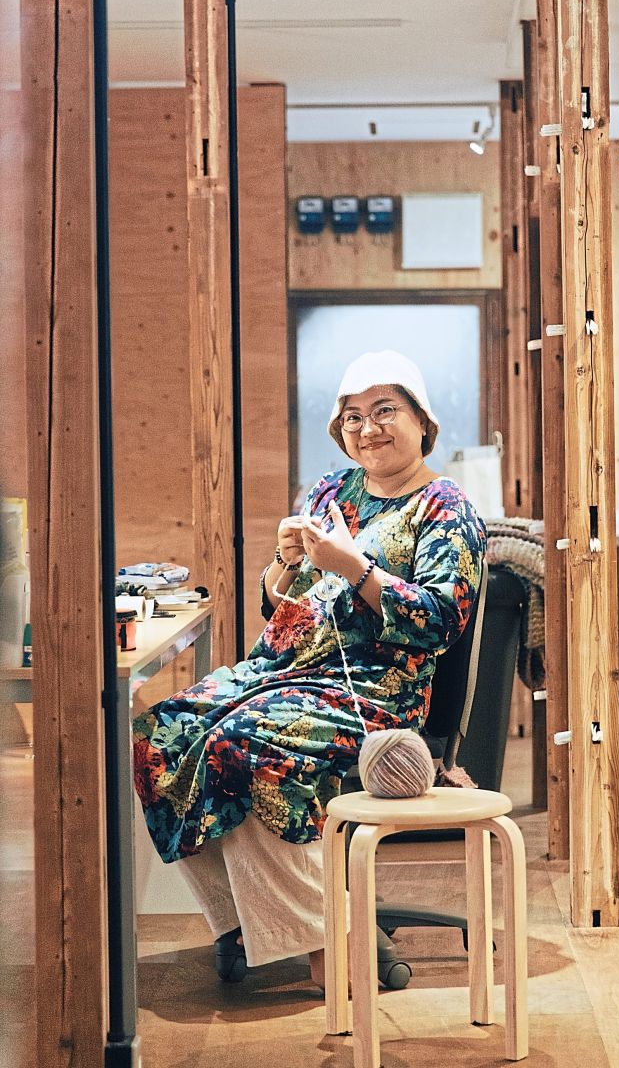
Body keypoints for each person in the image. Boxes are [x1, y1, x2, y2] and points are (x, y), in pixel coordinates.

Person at [133, 350, 486, 984]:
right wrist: (285, 562)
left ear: (422, 421)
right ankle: (247, 921)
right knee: (159, 734)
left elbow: (439, 621)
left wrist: (357, 567)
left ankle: (328, 953)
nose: (368, 428)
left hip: (374, 692)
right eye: (352, 416)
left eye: (386, 411)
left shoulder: (445, 506)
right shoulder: (330, 489)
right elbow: (281, 601)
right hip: (285, 670)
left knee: (240, 748)